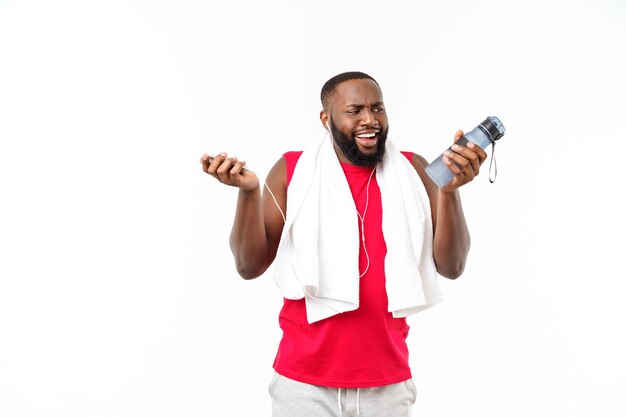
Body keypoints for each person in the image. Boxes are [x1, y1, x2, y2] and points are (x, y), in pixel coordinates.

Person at [199, 71, 487, 417]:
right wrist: (248, 194)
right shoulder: (293, 170)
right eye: (355, 110)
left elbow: (452, 267)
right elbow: (249, 266)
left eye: (378, 109)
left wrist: (449, 192)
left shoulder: (414, 170)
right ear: (326, 118)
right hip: (303, 387)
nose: (370, 120)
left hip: (387, 388)